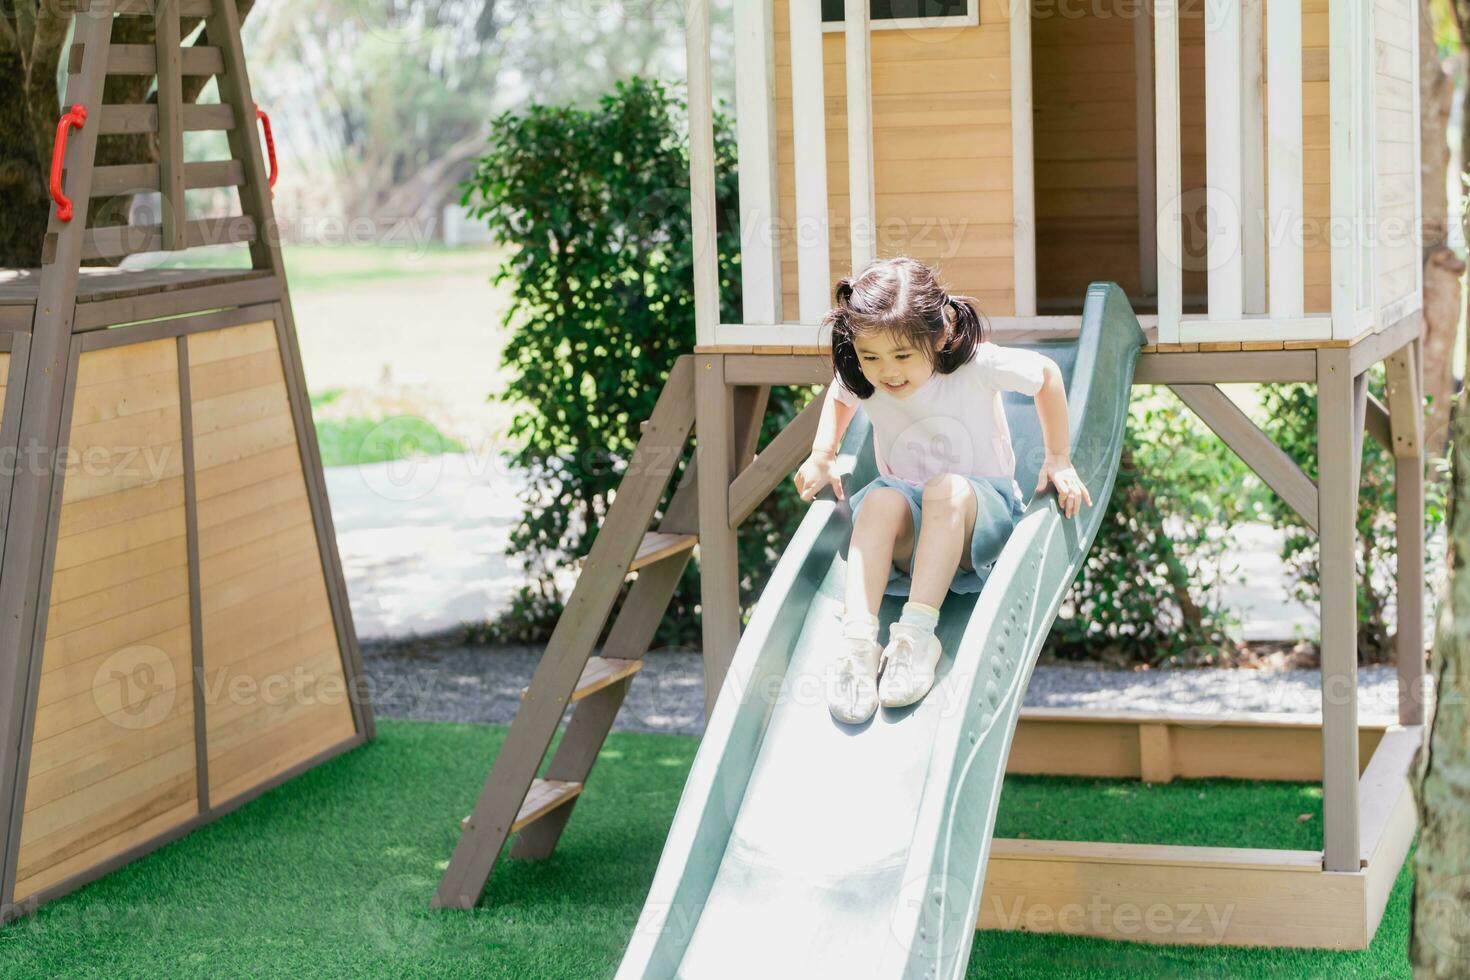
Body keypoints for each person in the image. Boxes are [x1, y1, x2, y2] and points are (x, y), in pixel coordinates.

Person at [792, 257, 1091, 724]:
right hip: (913, 535)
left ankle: (915, 636)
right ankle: (858, 645)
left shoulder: (976, 365)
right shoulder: (866, 374)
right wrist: (822, 453)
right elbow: (839, 393)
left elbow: (1047, 376)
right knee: (879, 500)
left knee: (944, 489)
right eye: (871, 358)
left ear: (939, 336)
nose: (887, 372)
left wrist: (1057, 458)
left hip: (977, 524)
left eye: (902, 357)